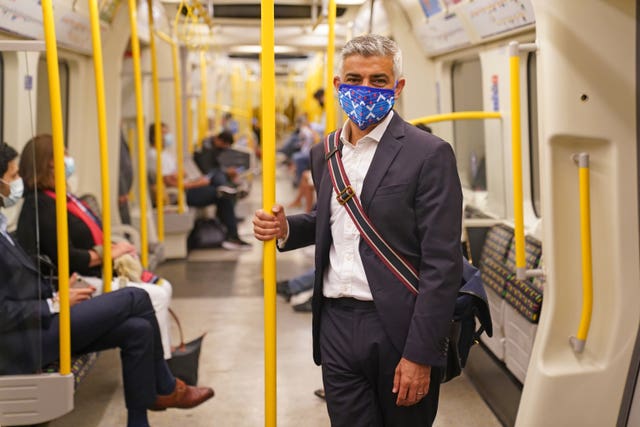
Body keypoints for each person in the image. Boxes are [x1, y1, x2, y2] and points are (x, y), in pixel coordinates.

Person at [253, 34, 463, 426]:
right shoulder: (325, 151)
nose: (364, 89)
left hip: (399, 323)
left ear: (397, 87)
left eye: (378, 80)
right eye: (354, 78)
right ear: (337, 85)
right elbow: (332, 221)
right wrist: (286, 228)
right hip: (335, 321)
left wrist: (420, 354)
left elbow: (442, 264)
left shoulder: (428, 154)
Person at [0, 141, 214, 427]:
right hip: (21, 342)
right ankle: (164, 387)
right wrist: (52, 303)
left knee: (137, 330)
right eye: (13, 176)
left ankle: (139, 421)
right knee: (136, 299)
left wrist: (57, 290)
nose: (19, 182)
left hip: (39, 322)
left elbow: (19, 282)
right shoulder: (35, 207)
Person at [15, 135, 174, 359]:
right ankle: (162, 367)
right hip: (75, 280)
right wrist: (107, 253)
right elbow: (67, 258)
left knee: (164, 286)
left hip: (91, 273)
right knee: (155, 296)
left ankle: (163, 358)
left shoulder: (63, 198)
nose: (69, 160)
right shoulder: (40, 205)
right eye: (65, 154)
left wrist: (113, 248)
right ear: (51, 162)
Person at [148, 123, 251, 251]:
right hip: (182, 193)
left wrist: (190, 179)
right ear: (155, 136)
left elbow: (181, 174)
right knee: (222, 193)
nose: (168, 136)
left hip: (187, 186)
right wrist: (196, 183)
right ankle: (232, 236)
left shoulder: (165, 154)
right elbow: (169, 181)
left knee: (221, 188)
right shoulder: (153, 156)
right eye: (164, 133)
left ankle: (230, 231)